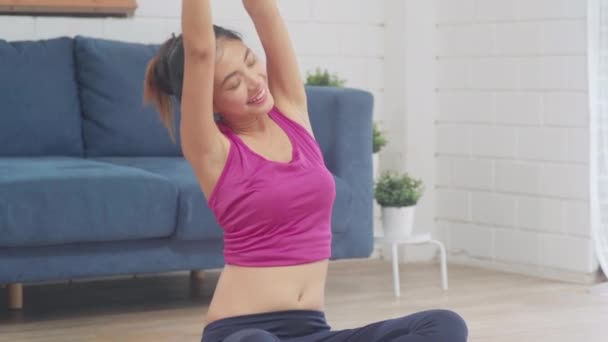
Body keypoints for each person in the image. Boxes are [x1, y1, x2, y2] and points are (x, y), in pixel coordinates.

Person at [143, 1, 468, 341]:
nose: (254, 82)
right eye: (233, 83)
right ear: (210, 102)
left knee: (444, 325)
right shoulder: (212, 150)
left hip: (312, 331)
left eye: (251, 62)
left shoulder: (291, 112)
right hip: (241, 333)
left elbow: (264, 10)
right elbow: (199, 52)